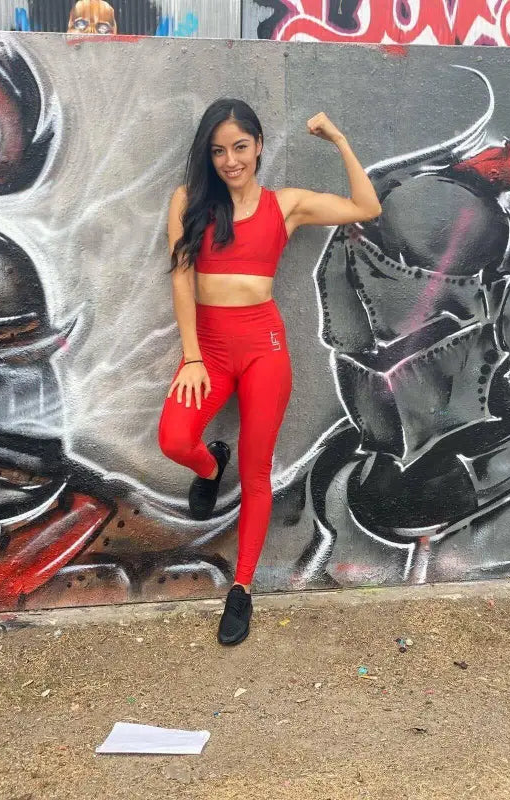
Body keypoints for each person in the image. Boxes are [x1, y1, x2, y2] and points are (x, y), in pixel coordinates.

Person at [158, 98, 381, 645]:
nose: (230, 160)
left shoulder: (286, 205)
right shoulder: (188, 201)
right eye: (218, 151)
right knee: (174, 439)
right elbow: (182, 278)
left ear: (258, 146)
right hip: (209, 348)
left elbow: (366, 206)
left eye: (240, 147)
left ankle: (241, 588)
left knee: (257, 472)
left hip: (264, 347)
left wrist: (339, 139)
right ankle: (211, 465)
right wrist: (192, 356)